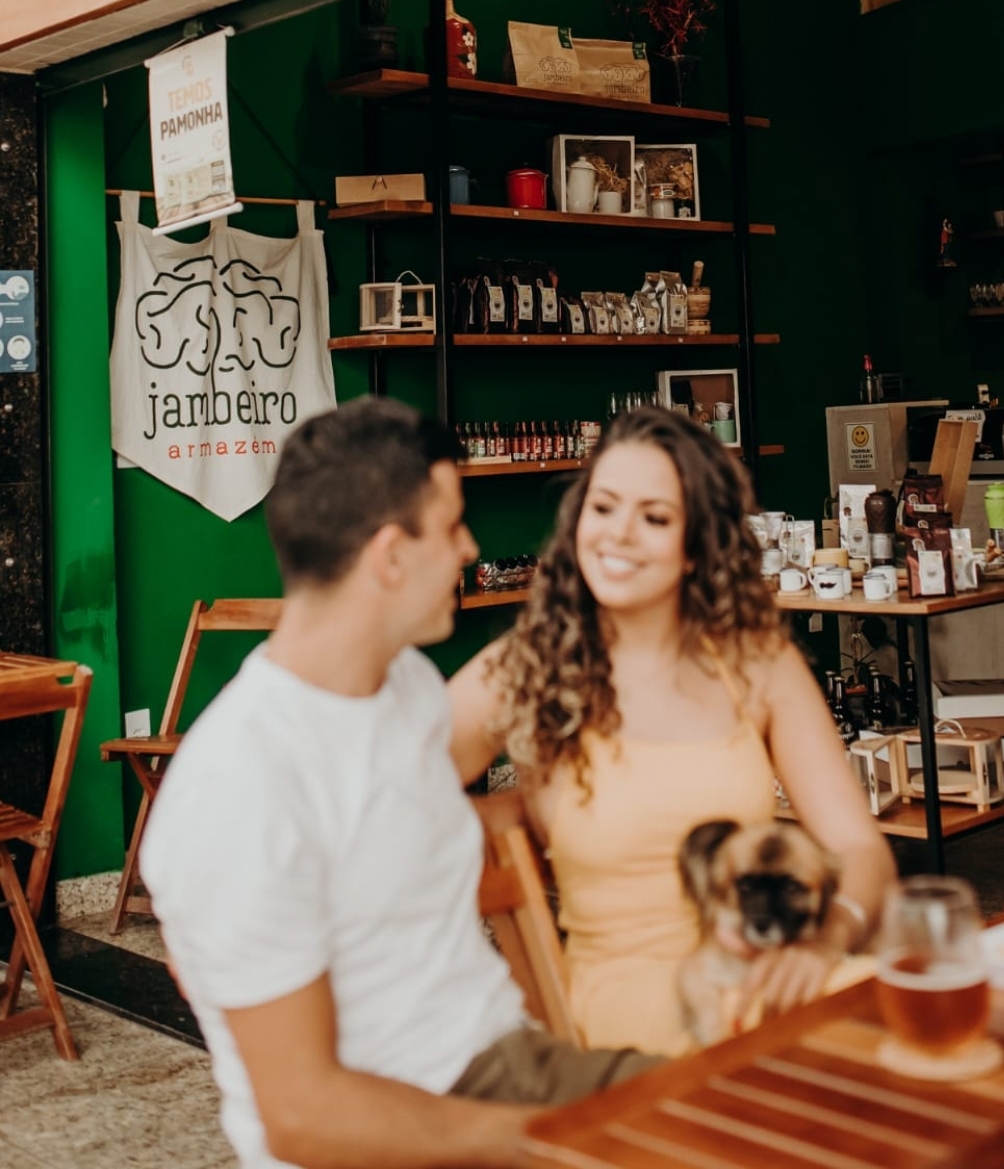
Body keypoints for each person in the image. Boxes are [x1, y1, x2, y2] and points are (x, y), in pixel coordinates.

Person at [141, 398, 655, 1169]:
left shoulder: (405, 685)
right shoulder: (239, 785)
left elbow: (404, 823)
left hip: (501, 1060)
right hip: (394, 1128)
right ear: (389, 555)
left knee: (767, 1105)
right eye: (451, 526)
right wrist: (552, 1141)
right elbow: (305, 1117)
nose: (470, 547)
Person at [450, 406, 897, 1058]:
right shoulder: (527, 665)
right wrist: (503, 815)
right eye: (603, 507)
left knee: (925, 1015)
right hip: (632, 1019)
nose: (619, 534)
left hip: (765, 978)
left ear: (696, 547)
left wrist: (826, 939)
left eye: (655, 517)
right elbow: (385, 784)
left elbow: (861, 848)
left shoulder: (756, 662)